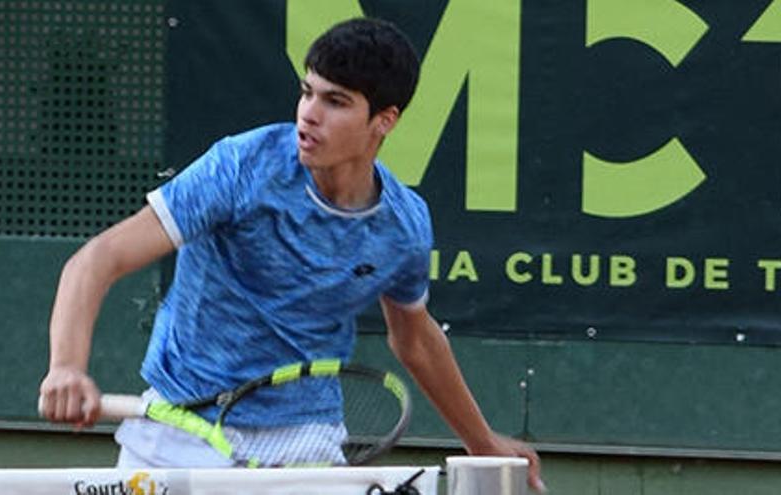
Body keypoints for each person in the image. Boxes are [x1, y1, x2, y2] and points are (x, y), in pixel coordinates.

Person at [39, 17, 545, 492]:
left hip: (304, 439)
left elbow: (415, 339)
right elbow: (98, 259)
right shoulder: (240, 167)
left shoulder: (402, 225)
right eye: (307, 92)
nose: (309, 114)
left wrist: (481, 440)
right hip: (177, 430)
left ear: (384, 121)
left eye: (336, 101)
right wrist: (65, 366)